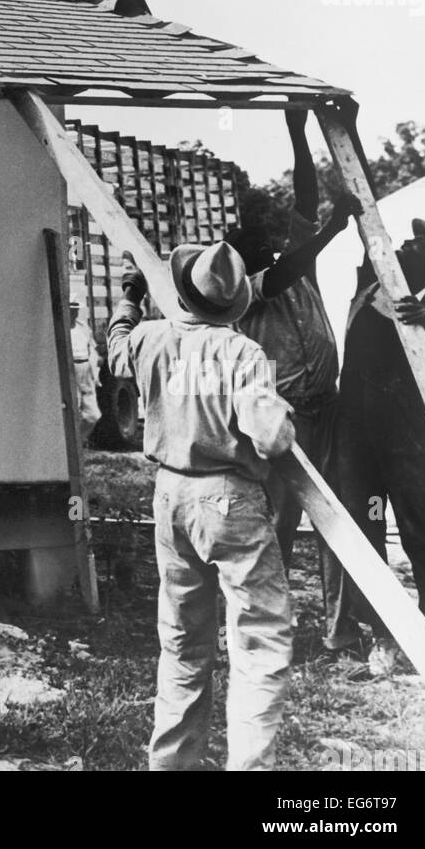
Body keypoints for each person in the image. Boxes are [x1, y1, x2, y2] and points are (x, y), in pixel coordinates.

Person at [108, 241, 295, 771]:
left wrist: (130, 295)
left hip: (170, 497)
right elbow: (271, 439)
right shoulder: (242, 353)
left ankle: (171, 765)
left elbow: (117, 344)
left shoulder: (151, 339)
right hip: (230, 501)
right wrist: (282, 409)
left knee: (184, 646)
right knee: (259, 641)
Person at [225, 108, 362, 655]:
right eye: (257, 246)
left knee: (340, 521)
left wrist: (297, 131)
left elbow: (304, 199)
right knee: (277, 528)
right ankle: (262, 631)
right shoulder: (249, 289)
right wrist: (334, 226)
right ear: (242, 261)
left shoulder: (290, 263)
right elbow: (291, 261)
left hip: (324, 411)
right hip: (280, 421)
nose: (271, 247)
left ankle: (340, 630)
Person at [333, 217, 425, 675]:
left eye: (417, 247)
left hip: (410, 443)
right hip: (360, 442)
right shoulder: (369, 283)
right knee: (366, 529)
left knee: (423, 531)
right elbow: (368, 228)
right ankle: (383, 634)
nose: (403, 246)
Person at [69, 299, 101, 441]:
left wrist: (96, 373)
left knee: (93, 414)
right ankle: (72, 445)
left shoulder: (83, 328)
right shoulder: (60, 329)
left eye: (75, 310)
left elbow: (92, 350)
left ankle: (80, 440)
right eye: (71, 310)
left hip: (86, 370)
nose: (73, 313)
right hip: (70, 370)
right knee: (73, 410)